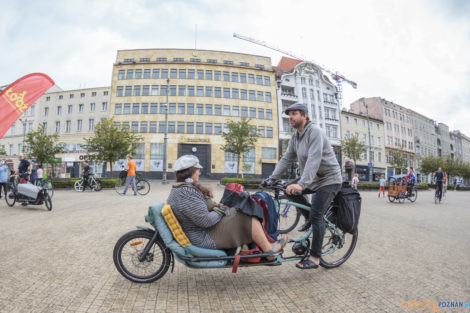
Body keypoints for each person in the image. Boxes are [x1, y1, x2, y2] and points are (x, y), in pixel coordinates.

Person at [267, 103, 342, 270]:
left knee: (317, 214)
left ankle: (315, 258)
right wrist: (271, 179)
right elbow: (286, 159)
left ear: (305, 116)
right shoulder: (295, 137)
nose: (291, 117)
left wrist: (301, 184)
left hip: (329, 179)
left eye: (294, 114)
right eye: (289, 114)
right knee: (288, 189)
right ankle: (309, 218)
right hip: (314, 178)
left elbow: (314, 161)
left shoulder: (315, 132)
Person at [167, 155, 287, 255]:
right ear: (190, 172)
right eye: (197, 170)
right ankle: (267, 249)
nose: (199, 172)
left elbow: (199, 213)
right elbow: (205, 221)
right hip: (204, 238)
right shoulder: (185, 192)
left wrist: (219, 207)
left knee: (241, 208)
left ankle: (261, 245)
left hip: (205, 232)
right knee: (245, 214)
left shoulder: (183, 189)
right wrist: (222, 209)